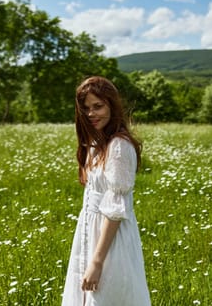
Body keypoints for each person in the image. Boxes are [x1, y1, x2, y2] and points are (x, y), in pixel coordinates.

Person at [62, 76, 151, 306]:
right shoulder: (97, 144)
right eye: (86, 108)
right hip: (90, 232)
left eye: (98, 106)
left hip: (109, 242)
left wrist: (97, 261)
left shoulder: (119, 147)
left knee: (108, 297)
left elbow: (114, 211)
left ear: (112, 104)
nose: (91, 114)